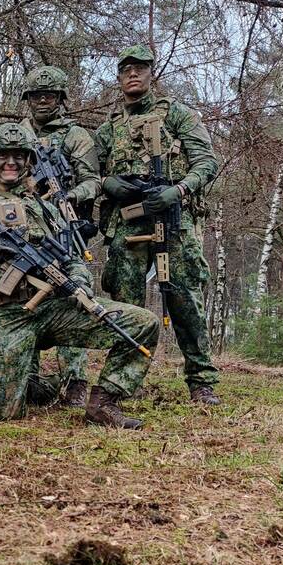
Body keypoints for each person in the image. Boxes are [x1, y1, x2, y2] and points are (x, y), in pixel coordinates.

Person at [0, 123, 160, 428]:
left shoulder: (47, 209)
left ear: (29, 161)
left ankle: (104, 404)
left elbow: (71, 258)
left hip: (52, 308)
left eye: (19, 156)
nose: (11, 162)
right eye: (3, 156)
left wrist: (80, 284)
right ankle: (39, 383)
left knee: (142, 324)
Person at [95, 44, 220, 406]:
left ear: (152, 74)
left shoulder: (178, 115)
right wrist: (108, 184)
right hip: (128, 225)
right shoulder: (108, 130)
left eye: (140, 68)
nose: (133, 74)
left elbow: (206, 163)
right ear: (118, 78)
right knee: (127, 306)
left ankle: (201, 381)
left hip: (173, 222)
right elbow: (88, 173)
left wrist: (178, 191)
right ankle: (120, 384)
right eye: (126, 70)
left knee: (184, 301)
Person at [19, 65, 102, 407]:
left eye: (49, 95)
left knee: (72, 291)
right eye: (36, 96)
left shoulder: (75, 136)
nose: (42, 101)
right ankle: (29, 377)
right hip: (24, 223)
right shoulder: (15, 133)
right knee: (24, 291)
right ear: (27, 99)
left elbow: (93, 180)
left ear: (60, 99)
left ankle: (76, 381)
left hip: (64, 225)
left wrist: (67, 197)